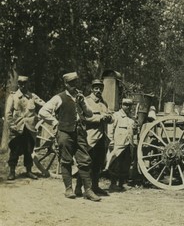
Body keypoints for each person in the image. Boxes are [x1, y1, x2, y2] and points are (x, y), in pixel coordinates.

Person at [38, 72, 101, 201]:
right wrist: (55, 123)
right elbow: (43, 111)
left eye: (75, 83)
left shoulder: (80, 97)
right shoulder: (59, 98)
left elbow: (89, 114)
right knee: (66, 160)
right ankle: (68, 189)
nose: (74, 86)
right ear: (66, 84)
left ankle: (88, 191)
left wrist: (83, 103)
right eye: (71, 84)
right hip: (64, 132)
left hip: (79, 133)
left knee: (85, 160)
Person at [75, 79, 113, 197]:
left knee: (98, 164)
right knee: (86, 164)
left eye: (100, 88)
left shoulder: (104, 104)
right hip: (90, 138)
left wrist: (109, 118)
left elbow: (110, 118)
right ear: (91, 89)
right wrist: (99, 118)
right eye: (96, 88)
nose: (98, 90)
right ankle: (78, 188)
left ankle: (95, 187)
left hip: (102, 138)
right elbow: (82, 119)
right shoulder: (85, 101)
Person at [5, 75, 45, 180]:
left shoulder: (32, 96)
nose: (22, 86)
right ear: (18, 84)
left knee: (29, 149)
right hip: (17, 128)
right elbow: (8, 113)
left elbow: (43, 104)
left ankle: (29, 171)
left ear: (28, 84)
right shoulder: (12, 97)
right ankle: (12, 172)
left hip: (30, 128)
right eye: (20, 84)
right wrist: (12, 125)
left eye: (24, 83)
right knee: (15, 149)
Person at [106, 98, 136, 192]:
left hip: (127, 144)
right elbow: (110, 128)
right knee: (116, 164)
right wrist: (111, 141)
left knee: (125, 164)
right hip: (118, 144)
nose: (127, 107)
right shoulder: (116, 116)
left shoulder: (131, 118)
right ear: (121, 105)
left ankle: (121, 184)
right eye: (125, 105)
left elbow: (132, 131)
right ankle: (113, 184)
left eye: (129, 105)